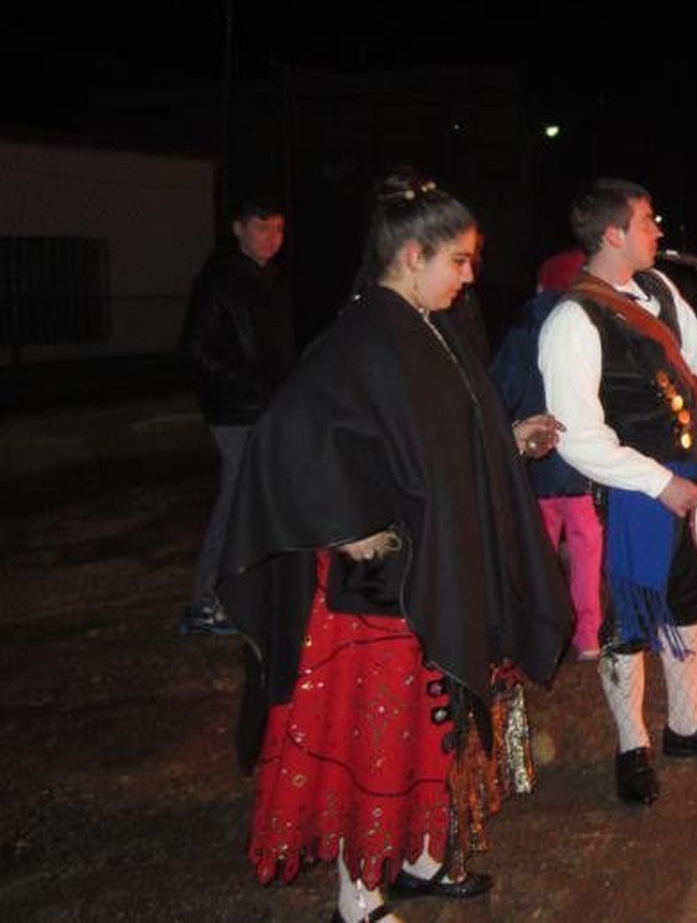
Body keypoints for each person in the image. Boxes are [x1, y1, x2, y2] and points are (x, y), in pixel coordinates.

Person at [218, 172, 573, 923]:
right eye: (460, 260)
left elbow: (428, 447)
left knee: (428, 724)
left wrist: (507, 442)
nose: (470, 275)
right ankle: (360, 894)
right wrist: (340, 523)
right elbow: (285, 435)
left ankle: (414, 857)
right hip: (383, 590)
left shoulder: (428, 330)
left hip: (433, 571)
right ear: (413, 255)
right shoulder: (364, 334)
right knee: (376, 734)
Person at [539, 178, 697, 806]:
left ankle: (685, 725)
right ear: (614, 233)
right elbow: (575, 437)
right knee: (630, 623)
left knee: (686, 603)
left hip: (683, 477)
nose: (658, 232)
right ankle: (631, 745)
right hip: (626, 492)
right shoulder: (572, 320)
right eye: (647, 221)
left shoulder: (654, 287)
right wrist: (658, 481)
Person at [177, 192, 296, 636]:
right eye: (261, 228)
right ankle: (206, 601)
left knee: (260, 502)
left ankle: (248, 592)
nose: (271, 239)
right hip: (235, 411)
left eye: (279, 229)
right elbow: (197, 347)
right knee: (236, 500)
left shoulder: (271, 279)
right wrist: (252, 386)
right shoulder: (221, 279)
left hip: (267, 408)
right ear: (238, 229)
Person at [490, 246, 605, 660]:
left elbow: (501, 389)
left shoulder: (522, 327)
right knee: (586, 547)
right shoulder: (591, 321)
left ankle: (541, 636)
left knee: (536, 553)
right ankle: (587, 634)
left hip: (535, 458)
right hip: (578, 458)